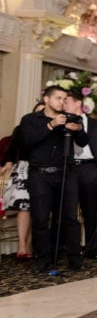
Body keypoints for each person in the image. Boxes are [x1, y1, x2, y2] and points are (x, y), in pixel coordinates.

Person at [20, 86, 83, 273]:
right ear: (46, 99)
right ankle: (43, 259)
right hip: (40, 174)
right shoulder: (30, 119)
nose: (62, 102)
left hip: (66, 173)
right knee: (40, 218)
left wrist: (78, 129)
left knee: (69, 218)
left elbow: (83, 142)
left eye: (64, 99)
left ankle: (74, 258)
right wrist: (51, 125)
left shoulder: (70, 118)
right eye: (58, 98)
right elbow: (27, 141)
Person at [64, 91, 97, 259]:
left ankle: (91, 248)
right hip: (68, 168)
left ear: (78, 103)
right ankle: (68, 248)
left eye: (66, 101)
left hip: (90, 169)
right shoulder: (62, 122)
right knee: (66, 210)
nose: (63, 104)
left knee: (90, 211)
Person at [0, 102, 44, 260]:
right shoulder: (22, 129)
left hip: (45, 170)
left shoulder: (53, 129)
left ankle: (31, 244)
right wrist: (8, 163)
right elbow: (11, 149)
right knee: (24, 207)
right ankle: (22, 245)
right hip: (25, 170)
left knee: (38, 210)